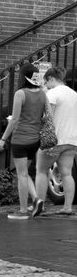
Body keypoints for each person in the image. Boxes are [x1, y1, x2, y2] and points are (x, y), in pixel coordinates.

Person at [0, 62, 47, 219]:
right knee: (26, 174)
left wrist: (3, 139)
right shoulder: (42, 94)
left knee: (22, 175)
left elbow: (15, 120)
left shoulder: (21, 93)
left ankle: (23, 211)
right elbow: (44, 117)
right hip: (35, 140)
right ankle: (38, 200)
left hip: (20, 139)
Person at [32, 65, 77, 216]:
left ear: (51, 79)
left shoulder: (52, 93)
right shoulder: (74, 94)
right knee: (66, 173)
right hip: (71, 140)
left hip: (54, 140)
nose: (46, 86)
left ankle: (40, 205)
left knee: (41, 170)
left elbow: (47, 117)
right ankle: (67, 207)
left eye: (46, 83)